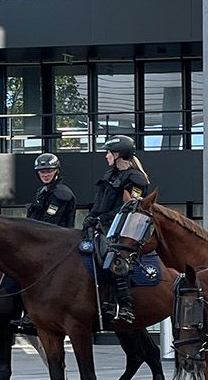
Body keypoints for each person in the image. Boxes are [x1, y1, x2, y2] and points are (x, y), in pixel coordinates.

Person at [84, 135, 150, 323]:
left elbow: (131, 207)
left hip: (124, 228)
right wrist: (91, 216)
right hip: (103, 225)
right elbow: (101, 203)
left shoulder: (136, 178)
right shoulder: (110, 175)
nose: (106, 156)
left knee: (114, 258)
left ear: (119, 154)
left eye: (109, 152)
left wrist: (102, 218)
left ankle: (125, 306)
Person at [26, 153, 77, 229]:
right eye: (42, 172)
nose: (45, 175)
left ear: (57, 171)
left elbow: (49, 222)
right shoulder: (44, 191)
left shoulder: (61, 194)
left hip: (59, 237)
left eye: (49, 171)